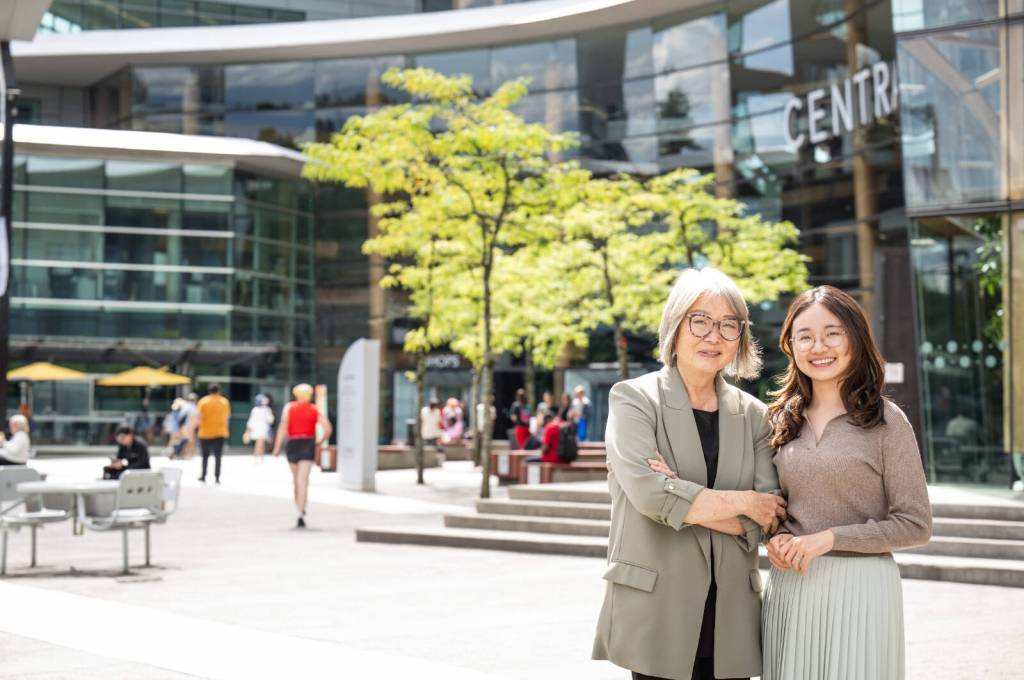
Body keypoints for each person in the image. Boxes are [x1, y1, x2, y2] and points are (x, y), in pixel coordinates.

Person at [594, 267, 786, 680]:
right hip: (658, 610)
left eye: (728, 325)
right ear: (675, 325)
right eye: (700, 320)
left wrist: (680, 494)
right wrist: (745, 502)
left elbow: (770, 516)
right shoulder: (634, 400)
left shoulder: (755, 416)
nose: (713, 336)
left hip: (731, 615)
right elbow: (650, 496)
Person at [761, 286, 932, 680]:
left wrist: (829, 539)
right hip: (792, 588)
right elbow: (768, 504)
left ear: (855, 337)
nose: (818, 346)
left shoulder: (887, 422)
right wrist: (777, 537)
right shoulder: (779, 420)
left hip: (862, 591)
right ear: (790, 346)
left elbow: (916, 524)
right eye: (805, 336)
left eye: (832, 333)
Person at [273, 383, 332, 528]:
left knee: (296, 480)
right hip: (307, 444)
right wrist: (319, 442)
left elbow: (283, 427)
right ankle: (301, 512)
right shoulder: (314, 409)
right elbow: (328, 428)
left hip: (293, 444)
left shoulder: (289, 407)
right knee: (303, 480)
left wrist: (277, 447)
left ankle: (299, 509)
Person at [197, 383, 231, 484]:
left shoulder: (203, 401)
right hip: (220, 432)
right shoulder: (224, 402)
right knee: (218, 456)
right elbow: (226, 418)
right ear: (219, 391)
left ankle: (203, 476)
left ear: (209, 391)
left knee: (205, 456)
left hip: (205, 432)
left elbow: (199, 417)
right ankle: (217, 477)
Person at [244, 394, 275, 464]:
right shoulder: (266, 410)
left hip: (259, 429)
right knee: (260, 444)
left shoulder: (257, 409)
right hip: (261, 429)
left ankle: (259, 458)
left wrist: (249, 429)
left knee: (260, 444)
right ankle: (258, 458)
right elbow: (271, 420)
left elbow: (251, 421)